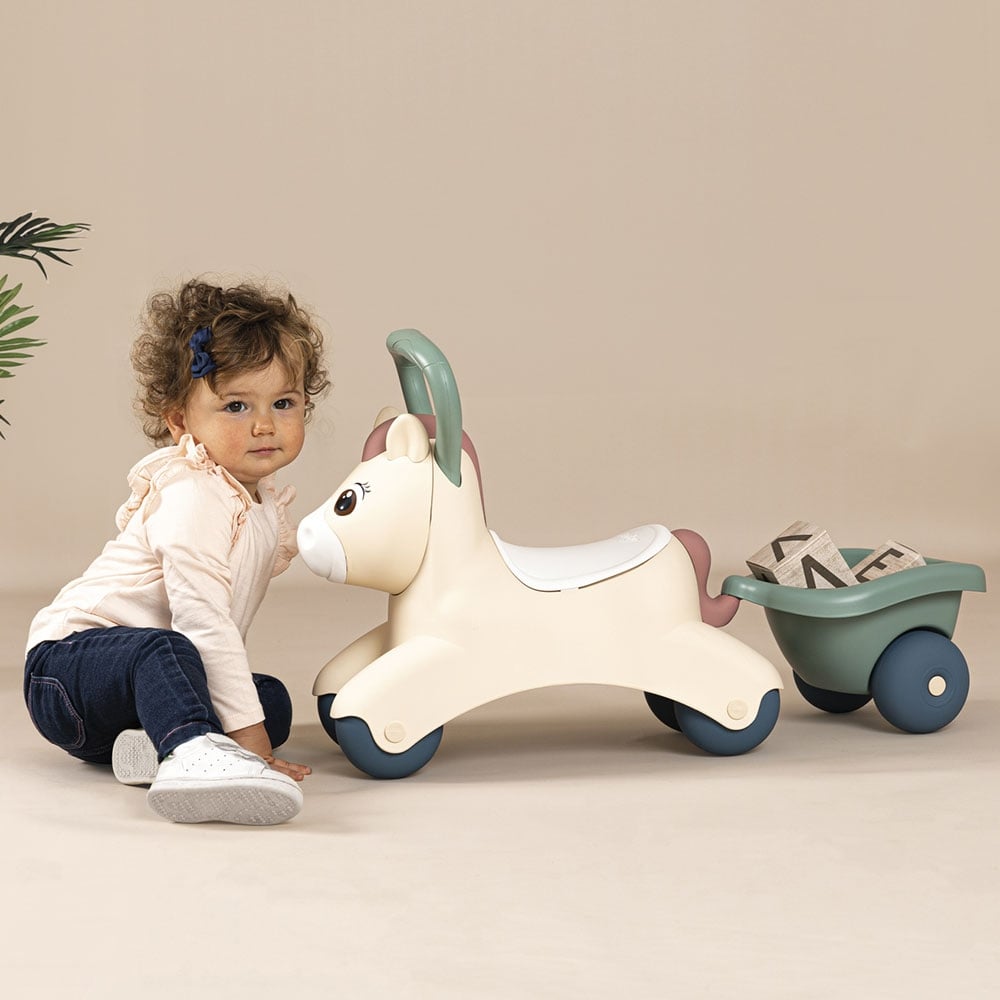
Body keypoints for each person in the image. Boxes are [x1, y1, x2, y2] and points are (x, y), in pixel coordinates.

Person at [24, 278, 330, 825]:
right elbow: (202, 620)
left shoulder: (255, 502)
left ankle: (153, 745)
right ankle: (194, 755)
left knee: (269, 700)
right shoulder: (193, 493)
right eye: (236, 405)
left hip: (124, 700)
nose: (264, 424)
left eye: (283, 403)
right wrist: (252, 745)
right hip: (68, 671)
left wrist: (254, 724)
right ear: (181, 421)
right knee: (167, 651)